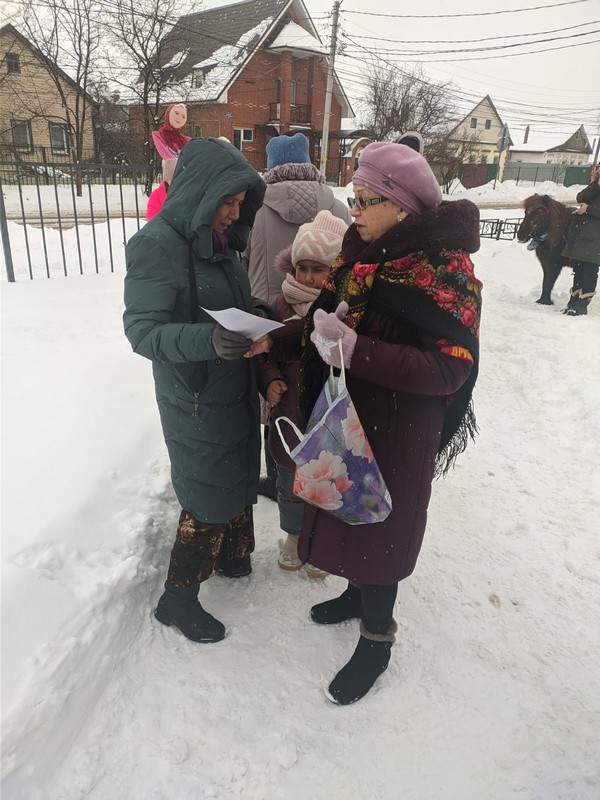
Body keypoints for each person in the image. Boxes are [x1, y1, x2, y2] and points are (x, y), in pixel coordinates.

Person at [266, 142, 482, 704]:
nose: (353, 210)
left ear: (402, 205)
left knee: (382, 528)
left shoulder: (443, 270)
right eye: (354, 196)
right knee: (346, 511)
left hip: (400, 429)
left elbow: (449, 369)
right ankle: (354, 595)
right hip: (350, 414)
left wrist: (358, 351)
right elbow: (322, 317)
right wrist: (278, 336)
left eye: (365, 199)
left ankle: (376, 638)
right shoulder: (360, 254)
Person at [123, 137, 273, 644]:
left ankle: (233, 555)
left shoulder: (222, 244)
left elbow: (233, 303)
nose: (234, 213)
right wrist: (209, 340)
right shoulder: (156, 245)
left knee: (237, 470)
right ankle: (177, 599)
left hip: (232, 383)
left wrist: (260, 319)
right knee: (207, 489)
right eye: (227, 201)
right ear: (201, 193)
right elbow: (142, 332)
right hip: (193, 397)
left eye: (239, 203)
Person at [243, 132, 350, 501]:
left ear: (271, 167)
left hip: (270, 316)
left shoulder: (256, 210)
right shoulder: (338, 208)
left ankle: (278, 475)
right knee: (319, 400)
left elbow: (245, 262)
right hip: (325, 314)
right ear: (310, 163)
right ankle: (320, 471)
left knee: (275, 395)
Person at [258, 211, 348, 578]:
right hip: (286, 416)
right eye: (303, 268)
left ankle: (322, 544)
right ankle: (295, 538)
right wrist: (270, 379)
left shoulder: (342, 307)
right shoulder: (279, 305)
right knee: (289, 483)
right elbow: (266, 352)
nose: (309, 277)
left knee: (324, 484)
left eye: (319, 269)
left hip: (324, 415)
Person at [561, 164, 600, 316]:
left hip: (596, 239)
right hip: (583, 235)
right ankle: (573, 302)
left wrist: (588, 209)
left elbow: (586, 205)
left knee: (589, 271)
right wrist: (596, 186)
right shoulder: (595, 187)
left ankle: (582, 306)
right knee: (578, 269)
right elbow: (580, 197)